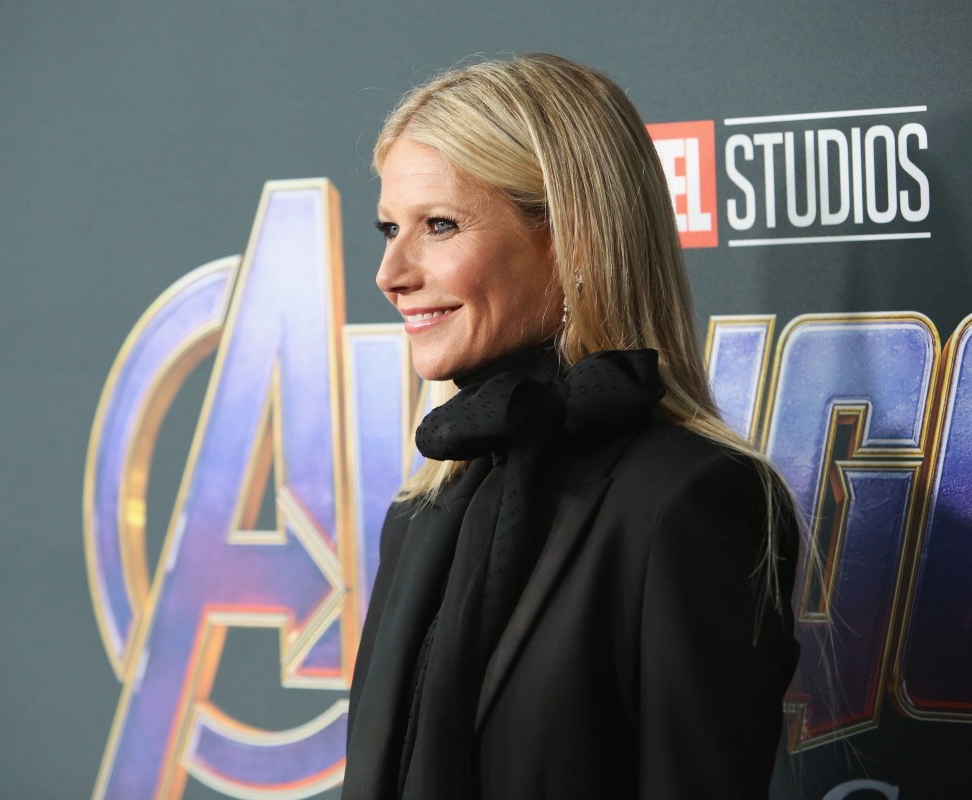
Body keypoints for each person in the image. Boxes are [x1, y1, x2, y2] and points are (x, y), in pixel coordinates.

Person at [343, 53, 801, 800]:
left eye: (439, 225)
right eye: (390, 228)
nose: (390, 273)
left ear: (574, 238)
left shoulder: (689, 501)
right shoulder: (421, 511)